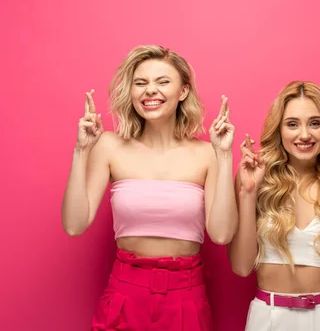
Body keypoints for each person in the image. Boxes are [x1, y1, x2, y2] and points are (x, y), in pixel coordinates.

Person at [61, 45, 238, 331]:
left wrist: (225, 155)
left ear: (183, 91)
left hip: (186, 294)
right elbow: (74, 224)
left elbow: (222, 234)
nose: (149, 91)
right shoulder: (109, 145)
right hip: (125, 292)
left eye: (162, 82)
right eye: (140, 83)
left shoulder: (207, 153)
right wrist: (82, 150)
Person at [228, 81, 320, 330]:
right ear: (279, 129)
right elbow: (241, 267)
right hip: (268, 317)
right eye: (292, 124)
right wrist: (248, 193)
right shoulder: (255, 177)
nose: (304, 135)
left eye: (315, 123)